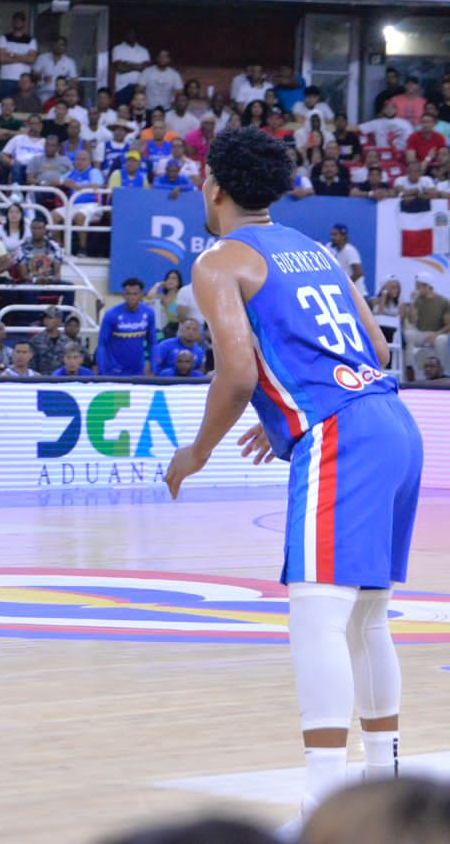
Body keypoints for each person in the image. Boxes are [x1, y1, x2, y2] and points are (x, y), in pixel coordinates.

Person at [164, 127, 422, 827]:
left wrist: (196, 451)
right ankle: (383, 783)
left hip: (343, 433)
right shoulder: (315, 251)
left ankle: (323, 805)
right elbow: (372, 343)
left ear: (213, 184)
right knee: (367, 618)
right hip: (392, 419)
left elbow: (238, 369)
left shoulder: (218, 260)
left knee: (316, 614)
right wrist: (283, 412)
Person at [97, 277, 157, 375]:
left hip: (137, 370)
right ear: (123, 295)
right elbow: (102, 344)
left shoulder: (149, 313)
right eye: (128, 294)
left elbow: (153, 342)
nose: (131, 297)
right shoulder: (111, 315)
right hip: (114, 370)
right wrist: (102, 372)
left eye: (135, 294)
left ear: (141, 295)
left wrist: (154, 368)